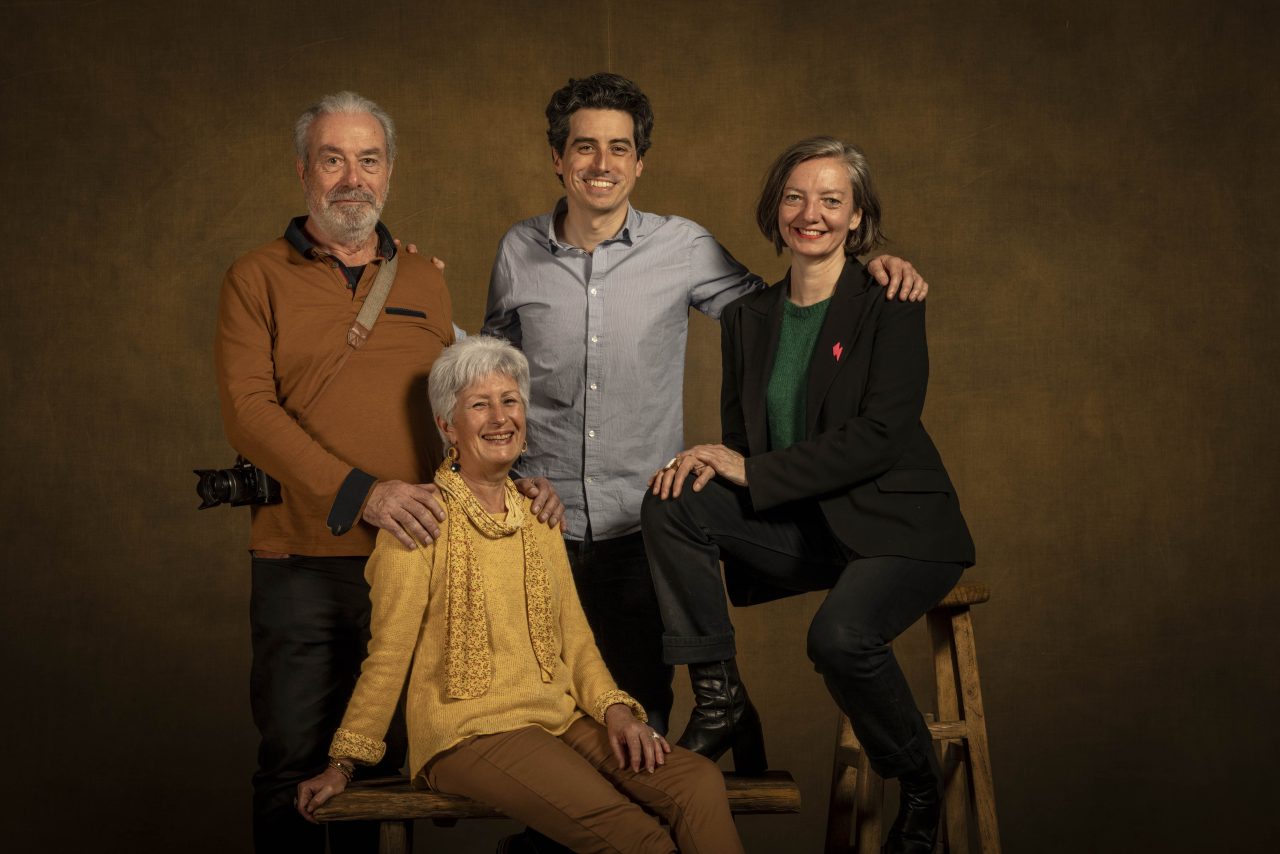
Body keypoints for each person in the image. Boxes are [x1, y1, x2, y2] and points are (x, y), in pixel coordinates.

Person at [483, 72, 928, 738]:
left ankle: (725, 738)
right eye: (584, 147)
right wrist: (508, 479)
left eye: (619, 148)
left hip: (639, 527)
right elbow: (493, 375)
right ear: (558, 157)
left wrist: (872, 271)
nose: (602, 164)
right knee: (535, 720)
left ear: (640, 162)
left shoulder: (684, 246)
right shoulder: (517, 250)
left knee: (640, 726)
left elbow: (785, 312)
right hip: (535, 523)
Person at [214, 91, 561, 853]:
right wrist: (361, 493)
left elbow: (458, 411)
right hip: (301, 561)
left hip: (413, 558)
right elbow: (248, 414)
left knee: (380, 771)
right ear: (303, 170)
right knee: (292, 764)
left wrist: (512, 482)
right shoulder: (254, 276)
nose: (352, 178)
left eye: (368, 160)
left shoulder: (423, 278)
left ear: (390, 171)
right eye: (333, 159)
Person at [642, 137, 976, 854]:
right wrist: (712, 462)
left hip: (899, 526)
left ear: (857, 217)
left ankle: (920, 785)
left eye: (831, 200)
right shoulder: (748, 318)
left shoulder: (889, 299)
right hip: (809, 526)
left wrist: (749, 472)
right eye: (795, 197)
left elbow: (881, 435)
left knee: (838, 639)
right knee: (674, 497)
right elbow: (745, 443)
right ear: (775, 209)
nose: (810, 214)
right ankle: (721, 699)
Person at [295, 336, 743, 854]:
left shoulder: (538, 513)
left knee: (697, 783)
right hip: (468, 733)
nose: (500, 417)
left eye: (509, 401)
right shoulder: (418, 521)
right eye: (479, 405)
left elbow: (576, 639)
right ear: (447, 426)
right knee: (636, 836)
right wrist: (343, 763)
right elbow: (389, 654)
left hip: (558, 720)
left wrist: (616, 712)